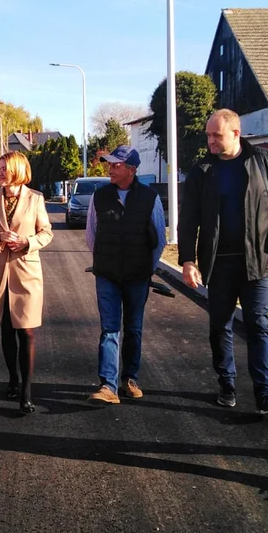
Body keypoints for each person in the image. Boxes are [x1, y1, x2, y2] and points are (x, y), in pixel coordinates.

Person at [178, 108, 268, 415]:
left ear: (236, 134)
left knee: (258, 326)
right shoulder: (201, 170)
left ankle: (265, 393)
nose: (210, 140)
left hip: (258, 262)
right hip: (218, 264)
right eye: (208, 135)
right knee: (220, 327)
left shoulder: (264, 162)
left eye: (216, 135)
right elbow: (188, 220)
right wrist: (188, 260)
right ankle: (227, 383)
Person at [85, 145, 167, 404]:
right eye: (109, 164)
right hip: (107, 275)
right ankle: (108, 386)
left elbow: (159, 239)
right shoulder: (100, 197)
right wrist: (104, 260)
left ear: (132, 170)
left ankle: (130, 378)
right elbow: (91, 235)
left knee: (133, 329)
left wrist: (147, 269)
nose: (110, 168)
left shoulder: (150, 198)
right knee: (109, 329)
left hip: (137, 276)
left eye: (116, 165)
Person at [0, 152, 54, 414]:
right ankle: (13, 378)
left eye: (3, 169)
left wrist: (27, 242)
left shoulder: (35, 198)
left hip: (27, 272)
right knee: (7, 330)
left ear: (17, 170)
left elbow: (46, 233)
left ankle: (27, 391)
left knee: (27, 331)